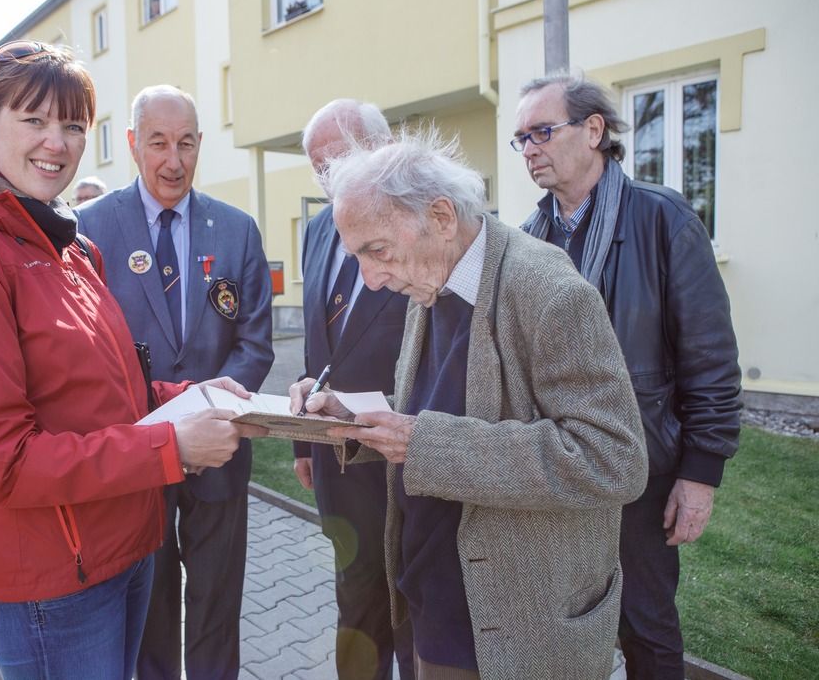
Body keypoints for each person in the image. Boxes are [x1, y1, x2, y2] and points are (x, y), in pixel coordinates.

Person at [0, 42, 263, 680]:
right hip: (53, 585)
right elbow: (4, 464)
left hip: (117, 554)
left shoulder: (66, 247)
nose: (57, 143)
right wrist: (172, 448)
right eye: (34, 120)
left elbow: (111, 390)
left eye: (71, 125)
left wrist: (198, 395)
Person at [290, 128, 649, 679]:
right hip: (434, 602)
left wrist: (424, 443)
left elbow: (613, 458)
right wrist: (353, 416)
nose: (372, 279)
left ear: (439, 216)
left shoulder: (548, 290)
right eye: (357, 257)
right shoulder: (435, 280)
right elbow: (443, 407)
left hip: (513, 631)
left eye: (377, 251)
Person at [512, 71, 742, 679]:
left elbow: (711, 359)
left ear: (593, 131)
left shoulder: (662, 219)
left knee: (646, 624)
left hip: (642, 468)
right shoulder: (529, 239)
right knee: (567, 621)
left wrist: (701, 474)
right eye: (520, 139)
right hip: (558, 468)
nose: (530, 148)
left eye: (541, 131)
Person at [77, 84, 274, 680]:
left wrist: (210, 412)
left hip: (220, 453)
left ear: (199, 146)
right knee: (149, 610)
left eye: (186, 144)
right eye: (159, 143)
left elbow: (255, 343)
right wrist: (159, 425)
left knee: (216, 606)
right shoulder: (89, 228)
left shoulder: (236, 230)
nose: (173, 160)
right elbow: (87, 351)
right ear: (134, 144)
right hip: (137, 455)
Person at [296, 99, 413, 680]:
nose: (330, 180)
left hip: (407, 456)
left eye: (338, 161)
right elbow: (322, 343)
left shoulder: (419, 225)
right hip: (338, 461)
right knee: (355, 597)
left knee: (412, 605)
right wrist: (303, 442)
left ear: (382, 149)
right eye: (320, 171)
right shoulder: (320, 227)